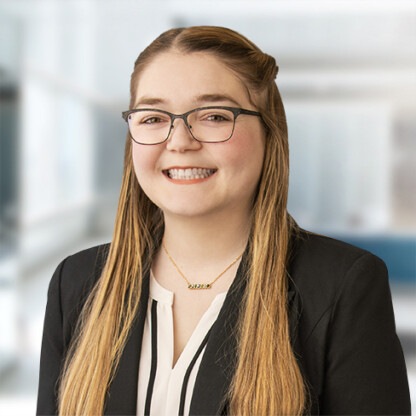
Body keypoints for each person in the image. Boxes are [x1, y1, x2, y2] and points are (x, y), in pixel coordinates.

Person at [36, 26, 411, 416]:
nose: (179, 141)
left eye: (214, 115)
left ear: (270, 134)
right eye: (152, 118)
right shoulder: (77, 283)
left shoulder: (342, 287)